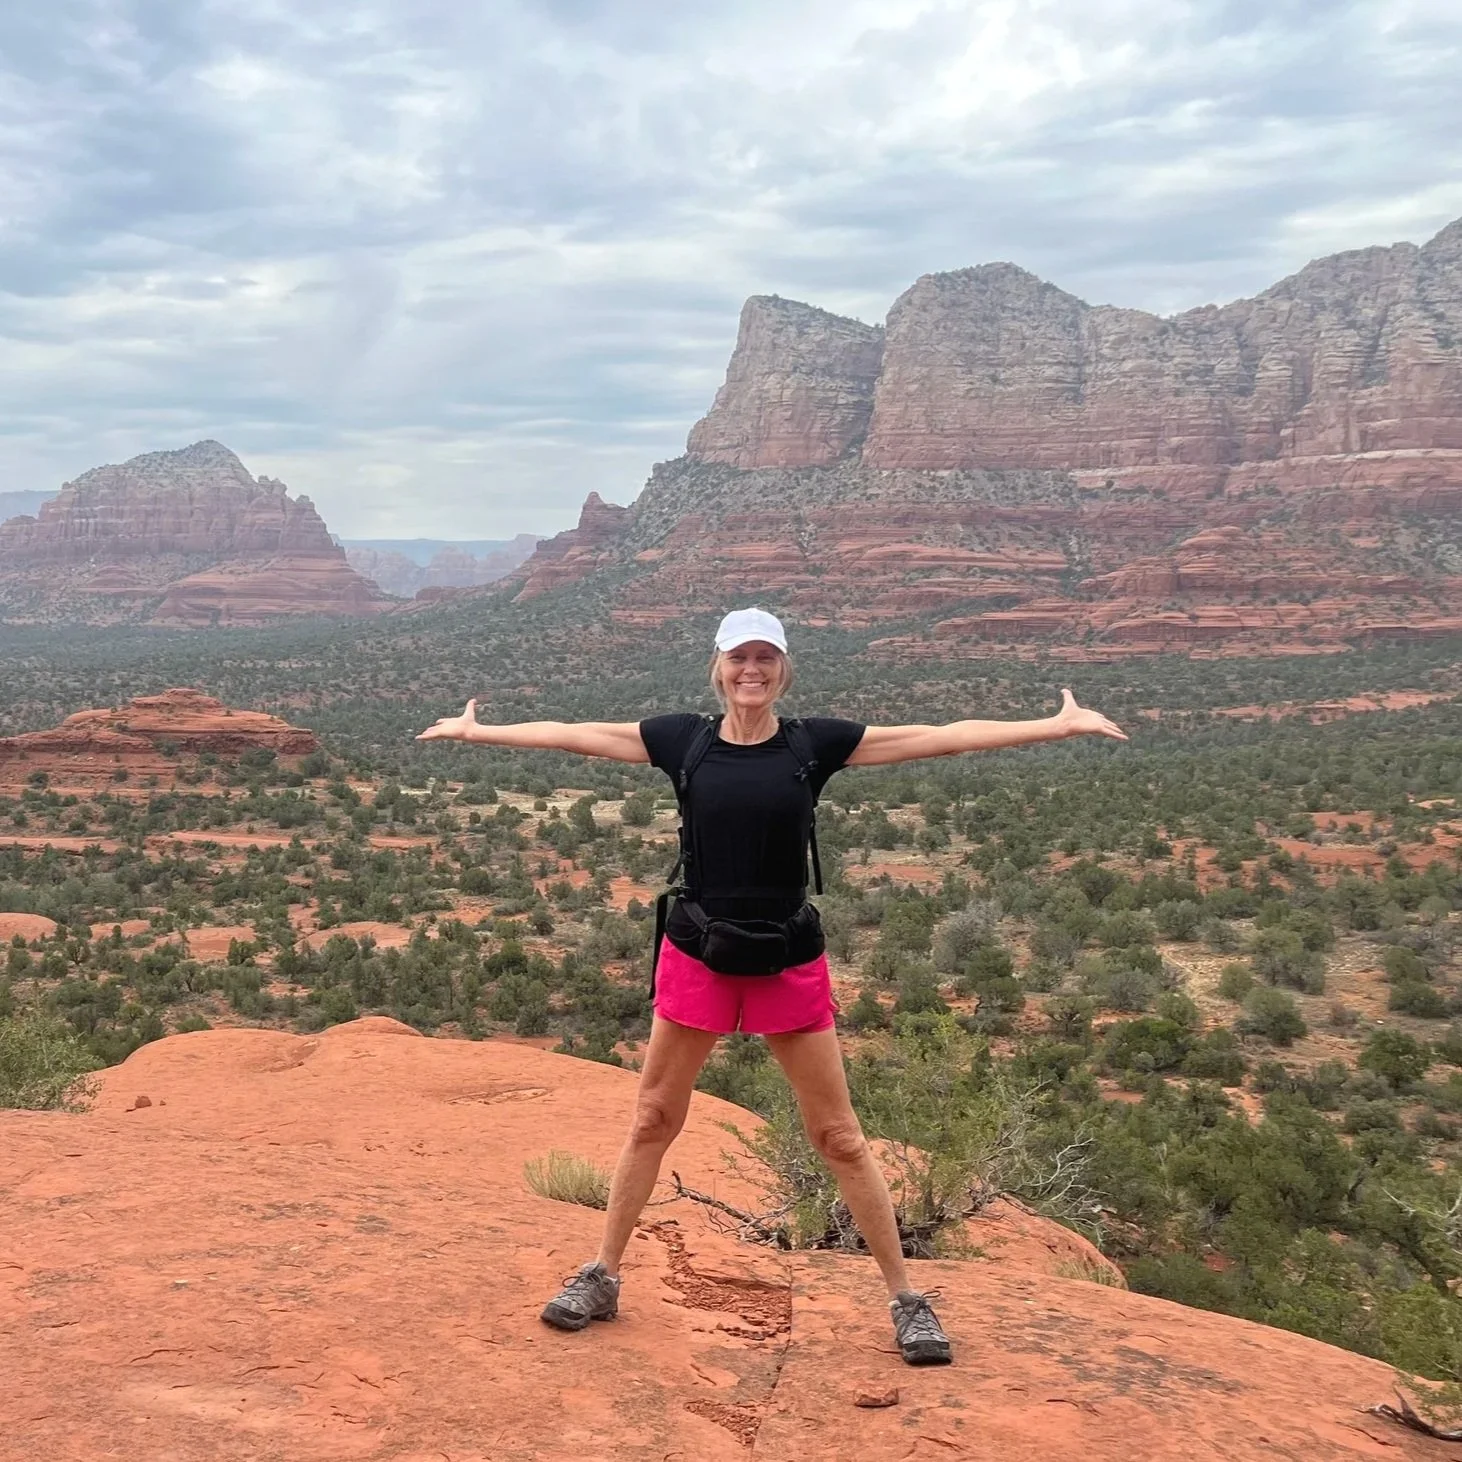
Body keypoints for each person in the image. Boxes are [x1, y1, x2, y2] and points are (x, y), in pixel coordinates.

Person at [417, 606, 1126, 1365]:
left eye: (764, 659)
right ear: (718, 667)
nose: (750, 671)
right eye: (738, 659)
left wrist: (1055, 726)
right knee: (653, 1116)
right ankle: (603, 1274)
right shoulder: (680, 739)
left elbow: (938, 735)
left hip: (787, 956)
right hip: (699, 951)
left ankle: (905, 1300)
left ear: (782, 669)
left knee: (839, 1136)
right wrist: (479, 733)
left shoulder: (812, 745)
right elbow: (575, 731)